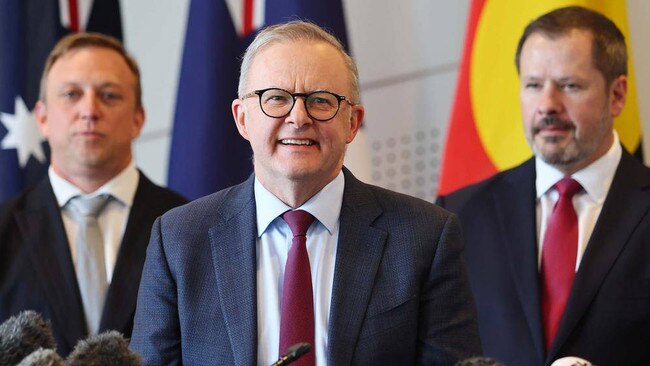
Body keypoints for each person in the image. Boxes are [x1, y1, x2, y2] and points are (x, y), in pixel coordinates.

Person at [130, 20, 481, 365]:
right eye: (277, 98)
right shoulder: (179, 240)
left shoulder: (425, 237)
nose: (299, 117)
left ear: (353, 122)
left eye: (321, 100)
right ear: (242, 118)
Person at [437, 6, 650, 365]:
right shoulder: (459, 215)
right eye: (534, 85)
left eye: (570, 86)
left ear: (616, 96)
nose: (548, 106)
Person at [0, 32, 187, 356]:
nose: (89, 110)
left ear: (138, 119)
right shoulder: (2, 232)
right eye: (71, 94)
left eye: (110, 95)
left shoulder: (190, 226)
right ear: (42, 118)